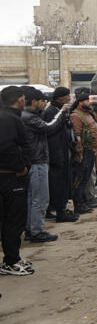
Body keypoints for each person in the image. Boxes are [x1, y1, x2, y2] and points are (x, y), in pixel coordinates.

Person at [20, 88, 70, 243]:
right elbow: (49, 127)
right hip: (37, 161)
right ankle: (36, 231)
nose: (44, 103)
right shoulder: (29, 117)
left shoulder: (25, 116)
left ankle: (31, 228)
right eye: (42, 101)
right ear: (34, 101)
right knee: (40, 199)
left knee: (32, 198)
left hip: (33, 161)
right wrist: (61, 112)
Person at [0, 87, 33, 276]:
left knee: (12, 220)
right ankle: (10, 261)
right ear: (20, 99)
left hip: (10, 175)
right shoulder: (8, 119)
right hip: (11, 177)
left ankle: (14, 257)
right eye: (24, 98)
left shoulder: (10, 117)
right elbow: (6, 147)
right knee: (14, 220)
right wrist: (20, 167)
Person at [42, 88, 76, 222]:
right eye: (67, 96)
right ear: (60, 97)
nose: (69, 98)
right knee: (57, 184)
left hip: (63, 151)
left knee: (62, 182)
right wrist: (58, 155)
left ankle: (58, 208)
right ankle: (59, 211)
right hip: (57, 153)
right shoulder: (51, 112)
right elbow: (51, 132)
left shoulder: (60, 110)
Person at [70, 89, 97, 214]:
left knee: (86, 178)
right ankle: (79, 205)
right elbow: (77, 136)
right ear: (80, 102)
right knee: (81, 179)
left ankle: (84, 202)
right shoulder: (76, 115)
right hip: (84, 152)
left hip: (91, 151)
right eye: (87, 101)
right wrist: (80, 153)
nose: (90, 103)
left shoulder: (87, 114)